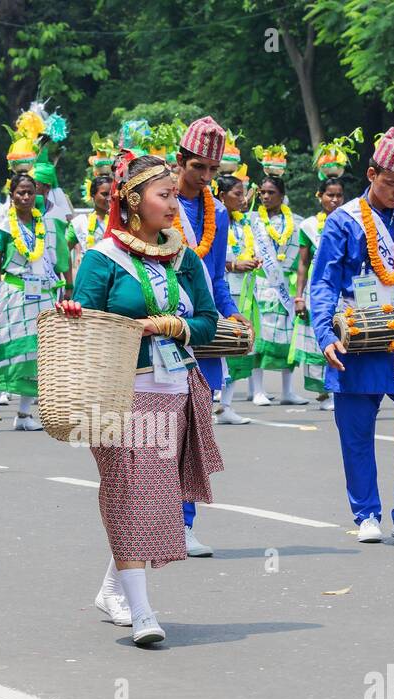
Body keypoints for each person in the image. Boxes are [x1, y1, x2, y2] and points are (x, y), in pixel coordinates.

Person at [61, 151, 224, 644]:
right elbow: (85, 321)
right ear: (133, 201)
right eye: (165, 195)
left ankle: (113, 589)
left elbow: (208, 321)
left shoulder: (184, 257)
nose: (175, 205)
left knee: (152, 497)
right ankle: (144, 611)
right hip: (119, 395)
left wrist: (177, 325)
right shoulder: (101, 259)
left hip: (175, 391)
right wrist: (71, 311)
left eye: (175, 195)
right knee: (133, 493)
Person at [309, 127, 394, 545]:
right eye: (390, 183)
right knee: (357, 434)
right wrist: (323, 335)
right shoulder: (342, 221)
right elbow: (323, 283)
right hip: (358, 342)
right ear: (371, 174)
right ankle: (366, 513)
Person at [172, 116, 248, 556]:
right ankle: (151, 521)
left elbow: (215, 278)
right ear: (180, 161)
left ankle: (184, 523)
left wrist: (234, 314)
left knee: (193, 437)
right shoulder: (156, 202)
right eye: (198, 167)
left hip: (202, 332)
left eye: (212, 171)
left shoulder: (217, 211)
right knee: (159, 436)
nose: (204, 178)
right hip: (161, 332)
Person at [0, 171, 69, 433]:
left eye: (31, 192)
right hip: (13, 294)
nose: (26, 197)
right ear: (12, 195)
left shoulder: (45, 225)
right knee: (3, 352)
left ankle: (24, 414)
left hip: (41, 295)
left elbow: (56, 261)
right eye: (21, 192)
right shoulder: (3, 227)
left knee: (36, 354)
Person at [248, 171, 306, 405]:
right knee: (259, 337)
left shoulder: (297, 222)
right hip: (261, 283)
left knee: (287, 339)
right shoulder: (252, 220)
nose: (265, 196)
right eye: (262, 192)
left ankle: (287, 391)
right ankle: (258, 390)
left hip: (286, 286)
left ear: (282, 196)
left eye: (271, 192)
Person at [296, 175, 346, 409]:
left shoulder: (350, 221)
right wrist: (299, 296)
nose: (334, 200)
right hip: (317, 288)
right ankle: (324, 392)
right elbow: (303, 263)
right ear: (320, 197)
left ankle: (338, 388)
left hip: (341, 288)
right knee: (319, 336)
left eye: (339, 195)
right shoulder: (307, 226)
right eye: (330, 195)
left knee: (342, 334)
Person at [219, 172, 261, 408]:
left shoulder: (243, 222)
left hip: (244, 290)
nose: (243, 199)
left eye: (244, 193)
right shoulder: (214, 219)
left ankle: (226, 405)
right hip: (223, 291)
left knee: (237, 345)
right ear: (222, 196)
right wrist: (234, 265)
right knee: (224, 345)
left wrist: (252, 261)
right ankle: (221, 404)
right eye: (238, 194)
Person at [69, 174, 111, 272]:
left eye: (111, 194)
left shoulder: (122, 220)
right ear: (92, 195)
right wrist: (69, 283)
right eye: (105, 194)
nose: (109, 198)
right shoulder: (80, 223)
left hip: (114, 278)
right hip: (89, 276)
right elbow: (65, 252)